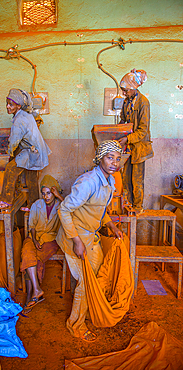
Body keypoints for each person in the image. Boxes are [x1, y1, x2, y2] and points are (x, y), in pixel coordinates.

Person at [56, 140, 123, 342]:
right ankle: (75, 324)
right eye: (110, 157)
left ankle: (91, 310)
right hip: (75, 237)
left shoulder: (109, 180)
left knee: (99, 274)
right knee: (86, 282)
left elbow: (99, 210)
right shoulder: (88, 182)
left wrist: (111, 225)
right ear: (99, 158)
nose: (114, 163)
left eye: (118, 159)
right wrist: (76, 241)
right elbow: (64, 210)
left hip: (90, 237)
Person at [0, 89, 51, 210]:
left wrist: (9, 154)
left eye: (11, 104)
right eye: (7, 103)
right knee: (31, 177)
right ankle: (33, 205)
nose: (7, 107)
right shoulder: (26, 115)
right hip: (37, 151)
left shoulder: (19, 120)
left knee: (10, 169)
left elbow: (14, 141)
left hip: (32, 151)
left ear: (19, 105)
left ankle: (6, 200)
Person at [20, 175, 64, 314]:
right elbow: (32, 226)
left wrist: (59, 197)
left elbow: (72, 209)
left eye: (49, 193)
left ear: (54, 191)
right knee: (27, 251)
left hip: (51, 240)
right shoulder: (36, 205)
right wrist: (34, 240)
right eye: (43, 193)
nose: (46, 196)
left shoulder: (60, 205)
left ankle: (30, 295)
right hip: (35, 238)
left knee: (35, 258)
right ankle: (36, 291)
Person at [118, 69, 154, 214]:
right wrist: (117, 131)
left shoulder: (143, 103)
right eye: (123, 90)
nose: (124, 93)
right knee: (125, 178)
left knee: (136, 180)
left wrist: (127, 138)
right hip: (128, 147)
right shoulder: (127, 102)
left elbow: (143, 131)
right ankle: (127, 205)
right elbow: (123, 120)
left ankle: (137, 207)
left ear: (133, 88)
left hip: (139, 147)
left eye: (125, 90)